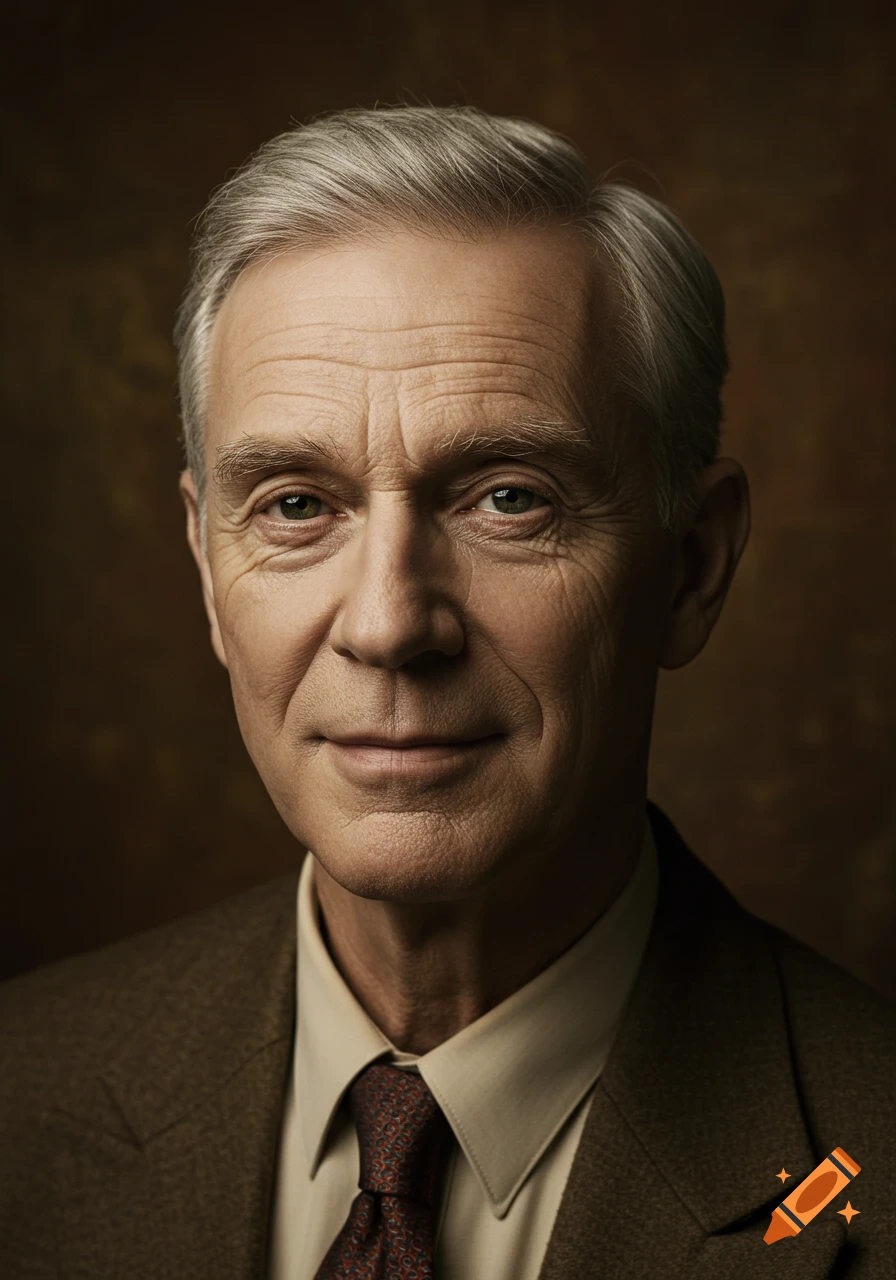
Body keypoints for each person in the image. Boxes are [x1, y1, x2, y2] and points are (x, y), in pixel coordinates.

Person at [1, 103, 893, 1280]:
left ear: (689, 566)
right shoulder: (22, 1093)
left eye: (508, 497)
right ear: (208, 570)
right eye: (296, 505)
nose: (386, 624)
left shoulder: (866, 1155)